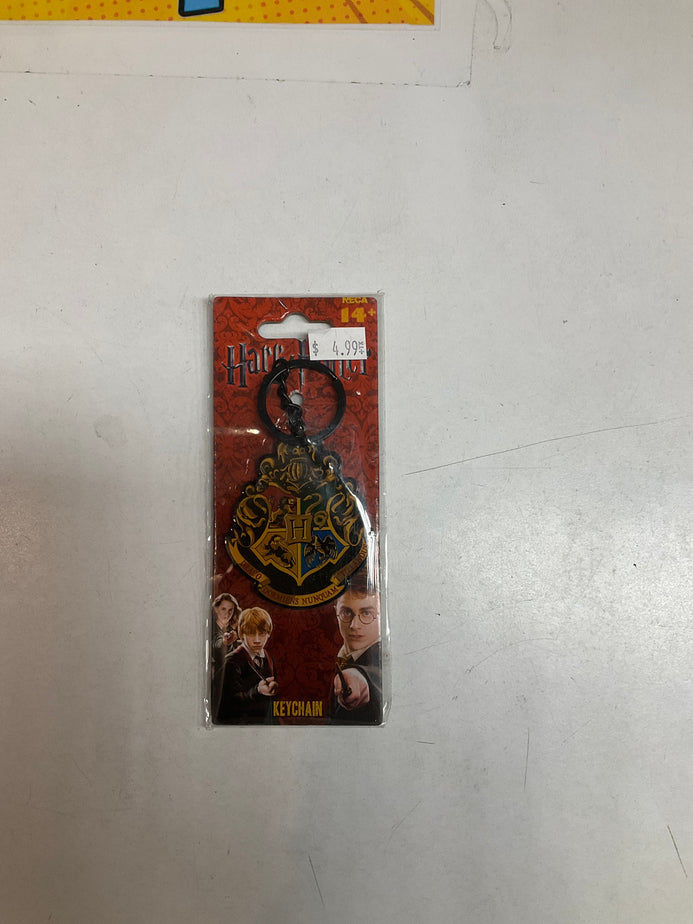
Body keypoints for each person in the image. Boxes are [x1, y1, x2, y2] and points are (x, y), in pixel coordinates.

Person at [330, 569, 382, 724]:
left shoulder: (381, 658)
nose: (354, 625)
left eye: (366, 613)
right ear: (335, 610)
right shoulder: (340, 655)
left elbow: (375, 676)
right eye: (346, 612)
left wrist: (360, 678)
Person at [215, 607, 278, 724]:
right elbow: (229, 704)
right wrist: (257, 690)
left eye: (262, 634)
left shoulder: (268, 658)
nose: (257, 640)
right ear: (242, 634)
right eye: (251, 634)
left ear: (268, 634)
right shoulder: (232, 662)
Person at [211, 593, 241, 719]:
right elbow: (217, 644)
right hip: (216, 682)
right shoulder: (212, 628)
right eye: (223, 609)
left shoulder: (229, 629)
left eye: (230, 610)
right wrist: (225, 642)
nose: (227, 614)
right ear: (216, 609)